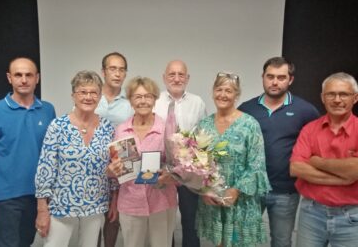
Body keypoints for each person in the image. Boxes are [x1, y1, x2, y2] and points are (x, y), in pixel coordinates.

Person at [0, 57, 56, 247]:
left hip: (38, 196)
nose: (24, 79)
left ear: (38, 78)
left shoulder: (48, 110)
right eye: (18, 75)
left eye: (29, 75)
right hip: (5, 198)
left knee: (26, 242)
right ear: (9, 78)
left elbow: (52, 155)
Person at [238, 57, 319, 247]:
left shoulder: (305, 111)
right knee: (243, 237)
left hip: (285, 191)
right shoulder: (246, 109)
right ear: (263, 78)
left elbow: (315, 147)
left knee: (281, 241)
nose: (275, 82)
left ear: (290, 80)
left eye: (281, 77)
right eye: (270, 76)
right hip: (251, 189)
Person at [34, 71, 115, 247]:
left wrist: (113, 199)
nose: (88, 97)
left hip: (96, 205)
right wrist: (42, 209)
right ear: (73, 96)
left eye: (93, 92)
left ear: (100, 96)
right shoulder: (58, 126)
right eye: (82, 92)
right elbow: (45, 168)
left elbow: (113, 165)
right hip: (62, 206)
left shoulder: (107, 128)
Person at [196, 72, 271, 247]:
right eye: (219, 89)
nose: (223, 94)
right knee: (220, 243)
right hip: (213, 198)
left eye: (228, 91)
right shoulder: (204, 125)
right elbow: (197, 162)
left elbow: (257, 164)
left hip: (241, 200)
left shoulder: (249, 124)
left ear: (237, 95)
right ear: (213, 92)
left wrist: (236, 190)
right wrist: (204, 189)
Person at [290, 72, 358, 247]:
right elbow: (296, 168)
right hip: (311, 214)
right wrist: (345, 178)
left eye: (343, 94)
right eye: (331, 94)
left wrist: (317, 162)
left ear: (355, 98)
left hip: (352, 218)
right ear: (322, 97)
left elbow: (355, 170)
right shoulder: (309, 129)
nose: (337, 99)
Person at [109, 76, 178, 247]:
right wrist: (112, 170)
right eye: (137, 97)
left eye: (148, 96)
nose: (143, 101)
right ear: (130, 100)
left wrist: (170, 175)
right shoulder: (121, 130)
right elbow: (115, 170)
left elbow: (178, 166)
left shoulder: (167, 128)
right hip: (130, 202)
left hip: (162, 200)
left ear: (155, 99)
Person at [154, 60, 206, 247]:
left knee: (190, 220)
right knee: (163, 221)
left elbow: (202, 136)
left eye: (181, 74)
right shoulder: (155, 100)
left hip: (188, 170)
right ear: (164, 77)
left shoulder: (197, 102)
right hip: (161, 169)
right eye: (172, 74)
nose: (176, 79)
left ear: (188, 78)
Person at [95, 52, 133, 247]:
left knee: (112, 218)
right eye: (112, 69)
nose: (117, 74)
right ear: (103, 72)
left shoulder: (130, 103)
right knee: (92, 222)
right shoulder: (91, 96)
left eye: (121, 70)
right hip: (93, 168)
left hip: (118, 165)